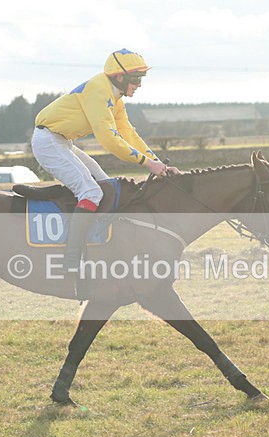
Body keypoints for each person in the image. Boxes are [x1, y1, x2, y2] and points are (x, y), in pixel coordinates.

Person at [32, 48, 180, 272]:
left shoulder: (115, 97)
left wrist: (158, 163)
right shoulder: (99, 91)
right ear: (119, 77)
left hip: (61, 141)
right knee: (92, 192)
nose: (139, 85)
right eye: (136, 79)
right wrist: (148, 164)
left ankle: (101, 246)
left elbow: (128, 134)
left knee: (106, 186)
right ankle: (71, 261)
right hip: (49, 142)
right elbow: (109, 139)